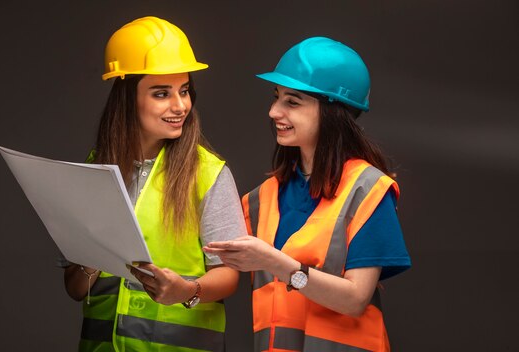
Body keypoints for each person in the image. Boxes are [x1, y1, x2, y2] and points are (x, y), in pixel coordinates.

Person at [204, 37, 411, 352]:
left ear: (332, 112)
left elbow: (356, 299)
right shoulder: (260, 201)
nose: (274, 111)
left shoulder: (367, 191)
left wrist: (276, 263)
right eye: (276, 97)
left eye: (293, 101)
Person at [60, 16, 245, 352]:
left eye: (185, 91)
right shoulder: (97, 167)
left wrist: (187, 291)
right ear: (128, 98)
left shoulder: (208, 174)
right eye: (162, 93)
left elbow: (230, 276)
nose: (180, 106)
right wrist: (91, 257)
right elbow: (75, 289)